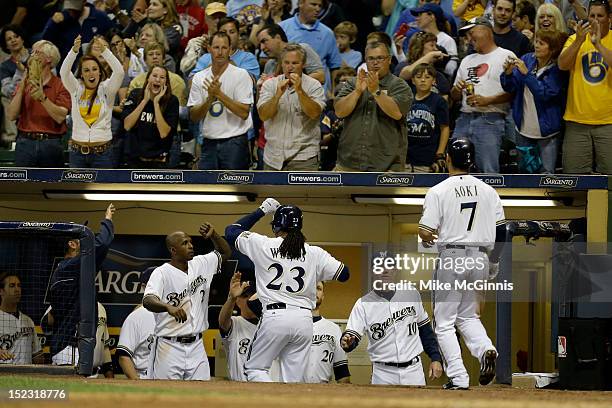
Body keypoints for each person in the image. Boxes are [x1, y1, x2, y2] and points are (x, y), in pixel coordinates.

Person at [224, 198, 350, 382]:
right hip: (304, 321)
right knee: (294, 380)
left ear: (276, 226)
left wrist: (262, 210)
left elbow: (231, 231)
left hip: (275, 316)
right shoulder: (314, 252)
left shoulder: (263, 244)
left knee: (254, 369)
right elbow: (344, 274)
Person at [418, 138, 506, 390]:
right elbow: (502, 233)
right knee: (468, 316)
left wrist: (427, 236)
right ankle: (486, 349)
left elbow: (425, 230)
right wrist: (493, 262)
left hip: (452, 256)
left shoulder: (439, 190)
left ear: (447, 159)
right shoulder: (489, 191)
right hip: (480, 256)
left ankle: (458, 377)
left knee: (444, 322)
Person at [143, 223, 232, 380]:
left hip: (197, 345)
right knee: (166, 397)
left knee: (202, 396)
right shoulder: (161, 273)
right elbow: (148, 300)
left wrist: (214, 235)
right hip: (169, 346)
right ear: (173, 250)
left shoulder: (201, 263)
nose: (191, 246)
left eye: (191, 242)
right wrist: (167, 306)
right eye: (185, 243)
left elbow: (225, 252)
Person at [340, 271, 443, 386]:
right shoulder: (363, 304)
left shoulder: (411, 293)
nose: (385, 271)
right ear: (372, 273)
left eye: (389, 266)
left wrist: (435, 358)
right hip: (383, 374)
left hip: (413, 371)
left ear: (395, 272)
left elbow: (425, 331)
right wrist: (347, 342)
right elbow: (351, 337)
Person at [48, 204, 115, 370]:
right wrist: (107, 220)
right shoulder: (70, 266)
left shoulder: (67, 267)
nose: (86, 241)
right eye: (81, 238)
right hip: (69, 349)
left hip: (71, 346)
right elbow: (102, 244)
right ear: (72, 244)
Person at [334, 41, 413, 172]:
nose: (375, 62)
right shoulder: (353, 83)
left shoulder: (399, 85)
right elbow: (339, 112)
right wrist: (357, 91)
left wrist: (376, 91)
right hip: (348, 163)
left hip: (386, 166)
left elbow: (397, 113)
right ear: (365, 61)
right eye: (371, 58)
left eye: (380, 58)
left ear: (389, 60)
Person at [451, 17, 515, 173]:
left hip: (490, 119)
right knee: (455, 168)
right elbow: (454, 97)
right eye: (467, 35)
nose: (469, 38)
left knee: (488, 171)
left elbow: (514, 91)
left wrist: (488, 100)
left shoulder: (506, 56)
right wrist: (457, 90)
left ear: (486, 30)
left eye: (471, 32)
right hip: (464, 118)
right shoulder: (467, 60)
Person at [500, 30, 567, 174]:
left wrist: (527, 75)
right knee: (524, 176)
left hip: (547, 134)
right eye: (536, 41)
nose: (536, 45)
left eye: (541, 43)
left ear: (552, 49)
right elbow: (510, 87)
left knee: (546, 177)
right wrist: (507, 74)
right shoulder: (527, 59)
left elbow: (544, 94)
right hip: (523, 129)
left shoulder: (557, 70)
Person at [558, 0, 612, 174]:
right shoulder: (575, 38)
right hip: (577, 121)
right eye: (592, 16)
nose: (595, 20)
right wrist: (579, 41)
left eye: (600, 16)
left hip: (608, 122)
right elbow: (562, 64)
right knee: (574, 178)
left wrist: (598, 45)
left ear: (609, 18)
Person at [188, 32, 254, 170]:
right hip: (208, 143)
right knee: (208, 189)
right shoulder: (199, 78)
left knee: (235, 188)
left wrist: (219, 94)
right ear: (209, 49)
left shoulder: (241, 75)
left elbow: (244, 112)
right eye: (216, 47)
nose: (220, 52)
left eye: (224, 48)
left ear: (230, 50)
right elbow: (194, 116)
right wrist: (209, 99)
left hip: (235, 142)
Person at [257, 43, 326, 170]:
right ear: (281, 64)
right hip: (273, 157)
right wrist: (277, 96)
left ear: (303, 64)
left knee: (303, 191)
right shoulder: (270, 85)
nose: (290, 67)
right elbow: (263, 115)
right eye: (287, 62)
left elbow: (314, 113)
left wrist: (300, 91)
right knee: (271, 191)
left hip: (304, 158)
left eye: (295, 63)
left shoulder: (313, 85)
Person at [60, 35, 124, 168]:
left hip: (103, 154)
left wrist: (105, 51)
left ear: (100, 72)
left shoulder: (107, 89)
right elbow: (64, 72)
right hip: (77, 153)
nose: (91, 73)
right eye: (86, 70)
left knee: (102, 189)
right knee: (77, 189)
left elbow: (119, 72)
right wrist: (73, 52)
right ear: (81, 74)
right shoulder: (76, 87)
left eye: (95, 69)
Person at [6, 40, 70, 167]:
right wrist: (22, 86)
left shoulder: (61, 85)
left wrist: (42, 98)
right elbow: (11, 115)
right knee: (22, 186)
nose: (32, 56)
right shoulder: (24, 83)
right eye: (32, 52)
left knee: (52, 185)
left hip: (51, 143)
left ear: (48, 59)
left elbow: (60, 117)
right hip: (25, 142)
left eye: (37, 52)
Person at [123, 64, 180, 168]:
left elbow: (164, 133)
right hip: (135, 160)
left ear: (166, 83)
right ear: (148, 78)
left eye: (162, 77)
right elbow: (127, 125)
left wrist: (156, 103)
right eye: (154, 76)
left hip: (159, 161)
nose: (158, 80)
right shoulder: (135, 95)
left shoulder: (172, 101)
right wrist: (144, 101)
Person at [279, 0, 342, 92]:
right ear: (301, 3)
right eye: (313, 4)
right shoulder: (282, 28)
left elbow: (335, 67)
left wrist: (333, 92)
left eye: (320, 6)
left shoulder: (327, 33)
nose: (317, 9)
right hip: (287, 92)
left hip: (318, 93)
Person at [406, 63, 450, 173]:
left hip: (427, 157)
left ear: (434, 81)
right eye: (419, 77)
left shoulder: (439, 101)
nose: (423, 80)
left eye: (427, 77)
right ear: (412, 80)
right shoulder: (407, 100)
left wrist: (440, 154)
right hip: (406, 156)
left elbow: (444, 128)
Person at [305, 281, 351, 383]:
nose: (315, 291)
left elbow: (342, 372)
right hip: (291, 392)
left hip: (323, 392)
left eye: (318, 288)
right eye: (311, 287)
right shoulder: (290, 325)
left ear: (323, 296)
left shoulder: (333, 329)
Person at [116, 267, 156, 380]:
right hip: (145, 378)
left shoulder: (172, 314)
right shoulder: (136, 317)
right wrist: (137, 382)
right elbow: (123, 356)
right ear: (144, 287)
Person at [191, 17, 260, 79]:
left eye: (232, 32)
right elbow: (191, 83)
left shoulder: (248, 58)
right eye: (223, 32)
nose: (228, 35)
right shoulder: (205, 58)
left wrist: (227, 61)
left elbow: (251, 83)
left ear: (238, 35)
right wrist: (213, 66)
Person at [42, 0, 114, 60]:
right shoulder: (60, 20)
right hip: (69, 68)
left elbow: (113, 38)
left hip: (97, 66)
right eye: (69, 8)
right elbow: (46, 43)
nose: (71, 12)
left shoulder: (100, 17)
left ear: (84, 2)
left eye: (74, 9)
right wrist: (52, 24)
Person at [257, 24, 325, 84]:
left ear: (278, 37)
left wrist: (286, 82)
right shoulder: (269, 65)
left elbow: (321, 77)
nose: (262, 47)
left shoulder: (302, 49)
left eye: (264, 41)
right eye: (260, 44)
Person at [0, 273, 42, 364]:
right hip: (4, 374)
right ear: (1, 291)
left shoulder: (28, 321)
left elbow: (37, 354)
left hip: (27, 376)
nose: (17, 290)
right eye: (12, 286)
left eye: (19, 286)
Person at [395, 31, 451, 100]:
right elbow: (404, 75)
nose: (436, 49)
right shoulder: (403, 66)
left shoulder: (438, 75)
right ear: (419, 47)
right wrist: (430, 55)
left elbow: (445, 101)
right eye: (432, 45)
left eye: (436, 45)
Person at [411, 3, 458, 77]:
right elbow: (410, 64)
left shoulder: (447, 40)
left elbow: (451, 70)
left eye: (420, 14)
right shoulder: (418, 37)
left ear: (431, 16)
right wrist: (399, 52)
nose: (417, 18)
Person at [0, 25, 29, 146]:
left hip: (37, 93)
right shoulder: (5, 66)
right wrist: (20, 70)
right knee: (4, 98)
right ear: (6, 45)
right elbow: (8, 90)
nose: (13, 40)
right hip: (17, 97)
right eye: (9, 39)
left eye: (16, 36)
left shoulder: (36, 54)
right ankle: (12, 139)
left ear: (22, 39)